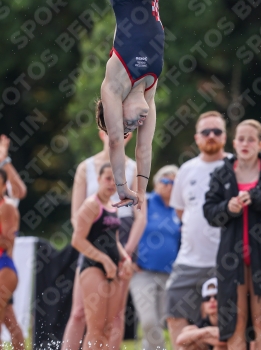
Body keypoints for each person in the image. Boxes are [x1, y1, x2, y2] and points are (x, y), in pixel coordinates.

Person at [97, 0, 261, 208]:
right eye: (132, 128)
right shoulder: (149, 94)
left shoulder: (115, 82)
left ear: (115, 107)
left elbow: (116, 141)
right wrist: (139, 192)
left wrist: (121, 188)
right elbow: (143, 148)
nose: (133, 126)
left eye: (126, 122)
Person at [203, 119, 261, 349]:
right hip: (232, 259)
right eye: (241, 139)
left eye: (251, 139)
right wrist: (227, 208)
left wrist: (258, 197)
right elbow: (209, 212)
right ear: (234, 143)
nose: (245, 143)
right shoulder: (222, 173)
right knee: (235, 322)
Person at [62, 131, 146, 350]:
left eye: (125, 130)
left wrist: (124, 253)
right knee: (80, 312)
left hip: (119, 235)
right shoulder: (86, 168)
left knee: (115, 315)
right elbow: (75, 216)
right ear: (101, 132)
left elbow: (140, 217)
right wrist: (94, 248)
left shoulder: (132, 168)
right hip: (92, 235)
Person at [165, 111, 230, 349]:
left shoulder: (234, 166)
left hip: (225, 260)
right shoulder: (186, 170)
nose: (211, 136)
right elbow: (181, 212)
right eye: (206, 132)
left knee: (229, 320)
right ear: (197, 138)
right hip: (189, 260)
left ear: (225, 136)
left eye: (217, 131)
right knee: (174, 311)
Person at [71, 163, 132, 350]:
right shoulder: (91, 205)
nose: (112, 184)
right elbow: (77, 240)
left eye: (116, 181)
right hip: (93, 268)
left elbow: (114, 240)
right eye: (107, 179)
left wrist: (125, 258)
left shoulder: (113, 206)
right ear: (98, 180)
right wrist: (104, 260)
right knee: (95, 329)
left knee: (108, 328)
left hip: (112, 269)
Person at [130, 165, 181, 350]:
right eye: (165, 181)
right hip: (143, 271)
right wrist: (129, 257)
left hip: (169, 274)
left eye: (174, 182)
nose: (169, 185)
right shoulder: (146, 202)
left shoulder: (179, 209)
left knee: (160, 322)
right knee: (149, 321)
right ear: (156, 183)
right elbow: (128, 226)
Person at [0, 134, 26, 350]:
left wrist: (4, 160)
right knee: (10, 321)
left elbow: (19, 190)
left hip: (4, 265)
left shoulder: (6, 203)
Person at [176, 277, 226, 350]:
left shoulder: (230, 319)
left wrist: (201, 335)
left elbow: (223, 340)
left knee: (220, 347)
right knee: (189, 345)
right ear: (203, 304)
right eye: (207, 298)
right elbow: (180, 340)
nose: (212, 300)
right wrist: (207, 331)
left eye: (216, 297)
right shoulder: (205, 322)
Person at [0, 168, 20, 340]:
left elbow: (7, 241)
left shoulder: (6, 207)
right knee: (10, 322)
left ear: (4, 186)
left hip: (4, 266)